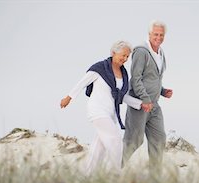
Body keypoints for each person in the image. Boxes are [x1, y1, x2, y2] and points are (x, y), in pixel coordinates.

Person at [60, 41, 148, 174]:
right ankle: (116, 173)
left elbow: (121, 96)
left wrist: (139, 104)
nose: (125, 59)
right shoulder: (100, 68)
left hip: (110, 113)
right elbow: (82, 82)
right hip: (97, 110)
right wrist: (69, 97)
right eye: (123, 55)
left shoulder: (123, 74)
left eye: (127, 57)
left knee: (98, 148)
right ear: (113, 53)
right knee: (115, 139)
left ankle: (87, 175)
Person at [123, 20, 173, 174]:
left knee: (159, 139)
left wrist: (163, 91)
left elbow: (152, 78)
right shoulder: (141, 52)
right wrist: (144, 99)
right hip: (140, 104)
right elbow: (135, 78)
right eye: (155, 34)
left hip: (154, 105)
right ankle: (114, 167)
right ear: (149, 34)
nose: (158, 37)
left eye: (161, 35)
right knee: (134, 141)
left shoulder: (161, 52)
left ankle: (155, 177)